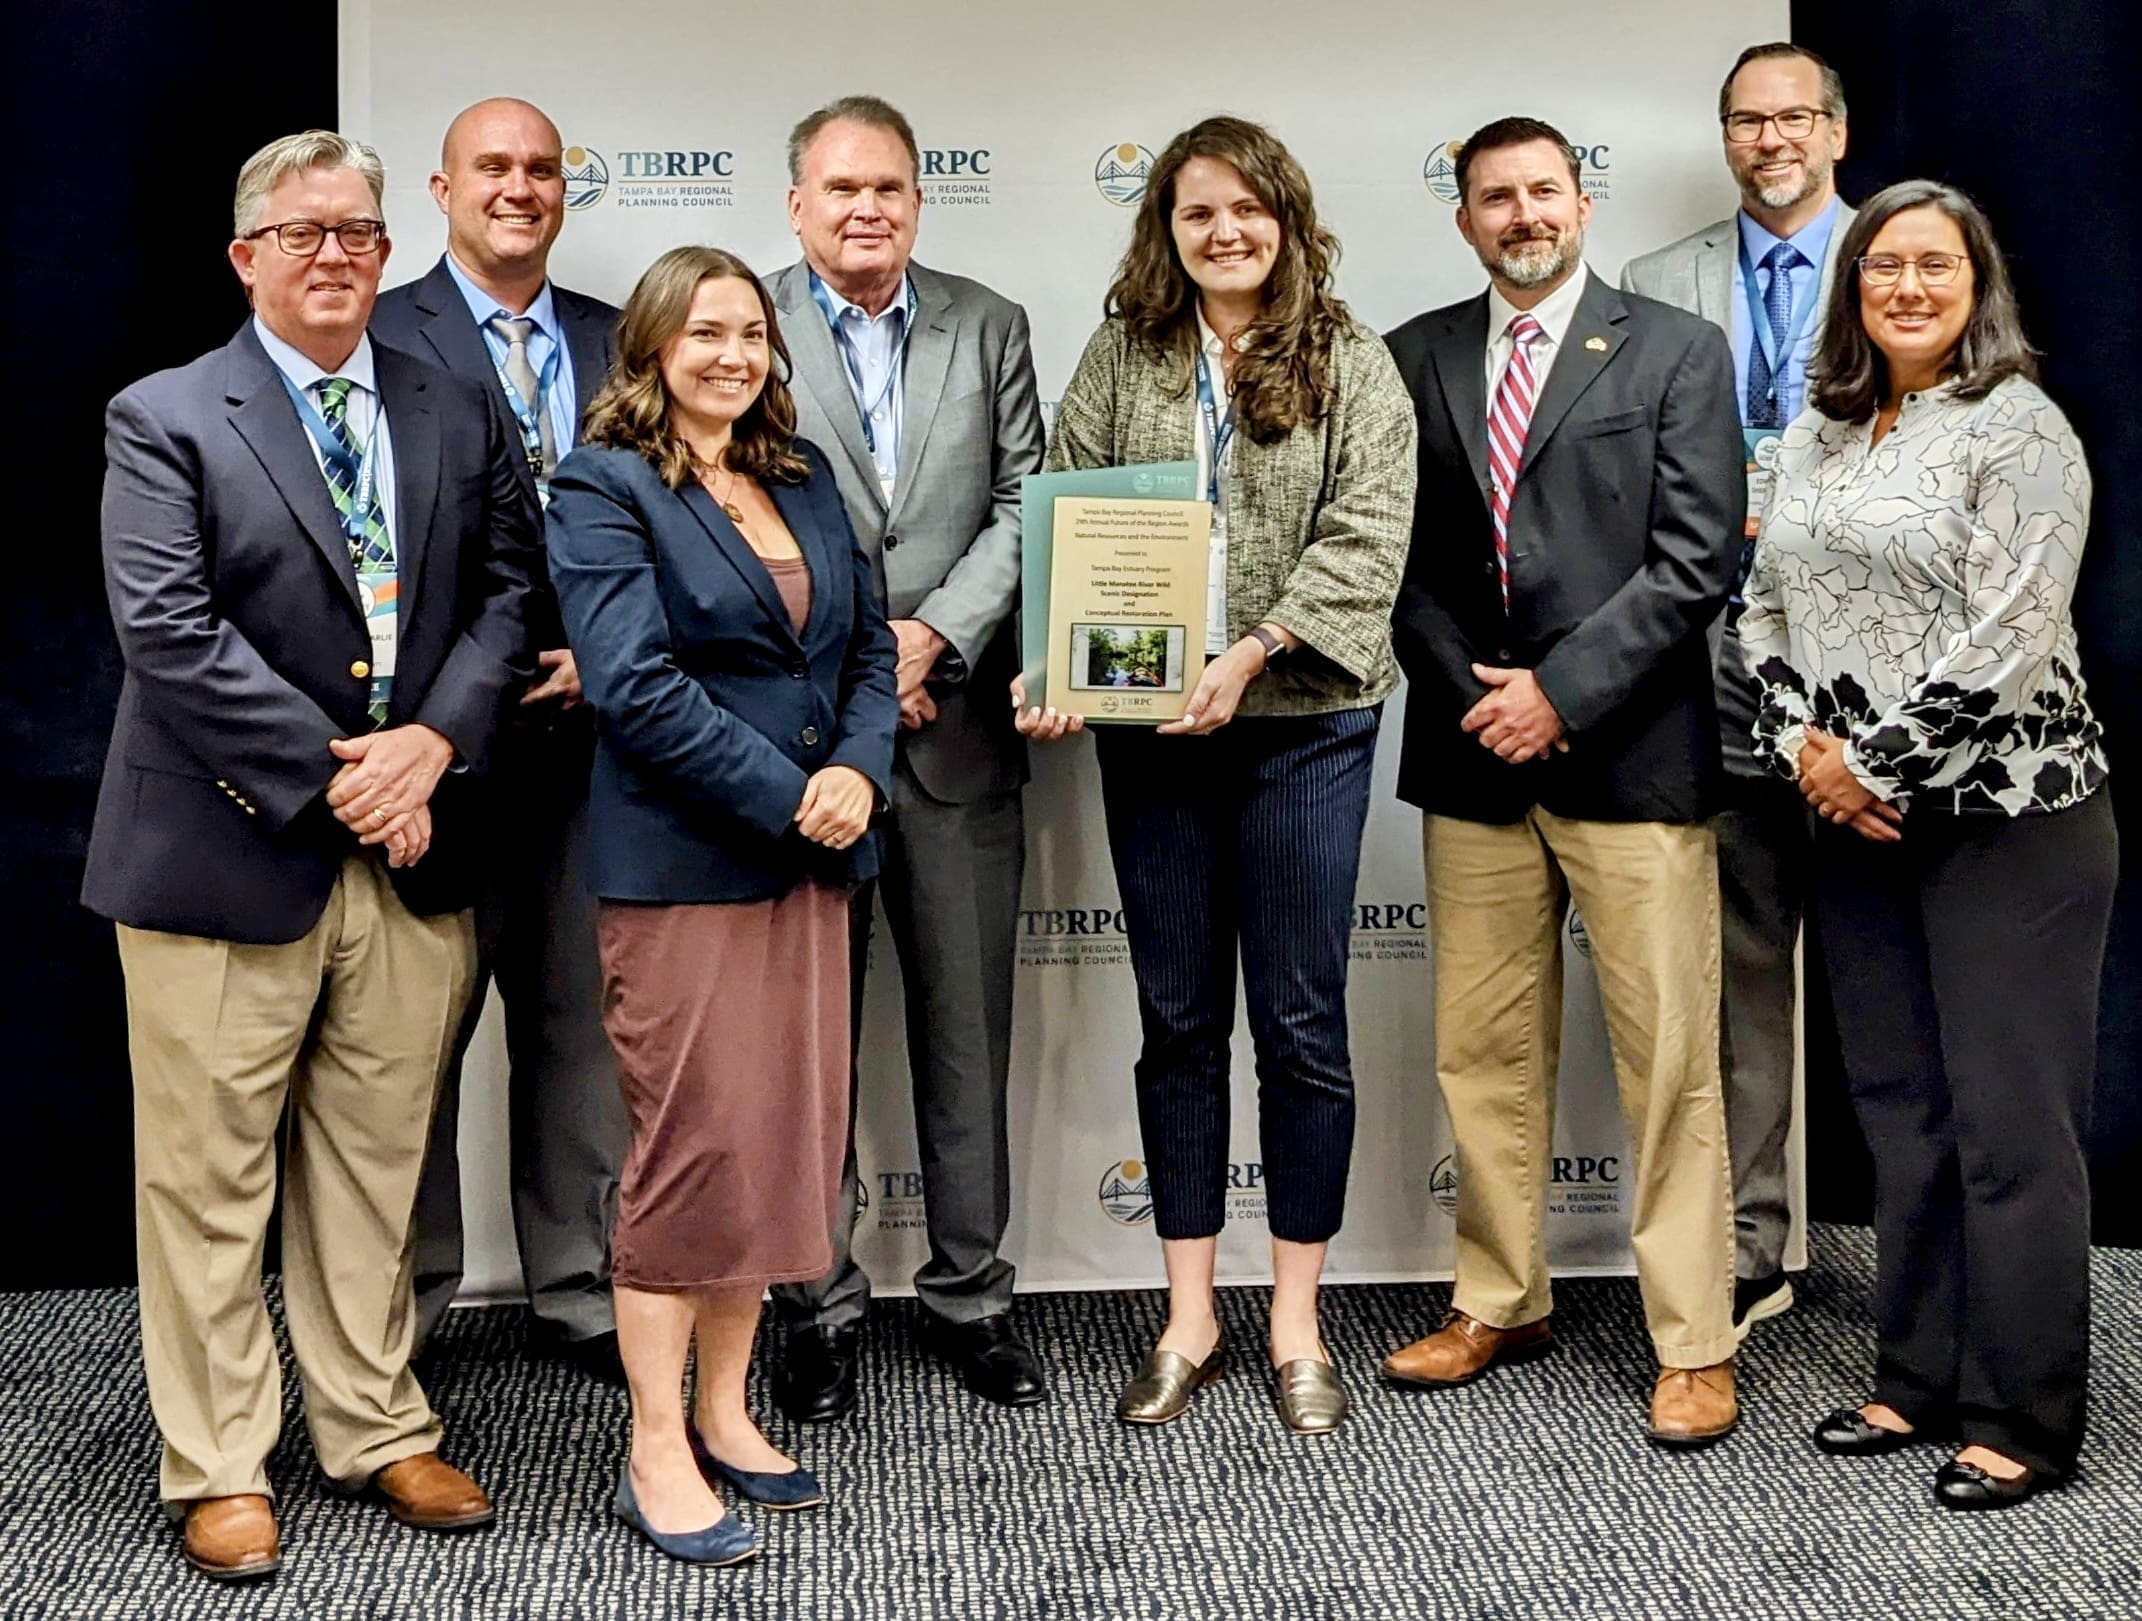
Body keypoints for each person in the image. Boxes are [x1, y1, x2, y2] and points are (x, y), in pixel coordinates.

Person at [82, 129, 536, 1581]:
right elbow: (167, 633)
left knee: (375, 1166)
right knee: (210, 1181)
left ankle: (372, 1423)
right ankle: (216, 1461)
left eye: (357, 231)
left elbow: (514, 593)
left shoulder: (454, 400)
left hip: (415, 848)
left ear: (387, 250)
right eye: (303, 233)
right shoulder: (164, 416)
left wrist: (433, 748)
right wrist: (349, 780)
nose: (334, 253)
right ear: (245, 257)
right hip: (226, 853)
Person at [1021, 115, 1417, 1435]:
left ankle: (1296, 1318)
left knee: (1299, 1023)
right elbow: (1070, 500)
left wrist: (1249, 655)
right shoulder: (1124, 352)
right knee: (1180, 1020)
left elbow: (1367, 535)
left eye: (1247, 210)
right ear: (1168, 231)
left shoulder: (1350, 359)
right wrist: (1058, 662)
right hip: (1151, 740)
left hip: (1305, 727)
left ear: (1286, 220)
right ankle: (1188, 1312)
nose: (1224, 232)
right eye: (1198, 214)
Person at [1740, 180, 2114, 1509]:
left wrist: (1869, 763)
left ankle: (2019, 1411)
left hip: (2007, 823)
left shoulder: (2018, 430)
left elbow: (2013, 636)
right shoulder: (1816, 430)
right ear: (1849, 287)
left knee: (2011, 1128)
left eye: (1932, 264)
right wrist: (1806, 759)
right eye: (1880, 264)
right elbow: (1759, 609)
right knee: (1903, 1117)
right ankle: (1914, 1377)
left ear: (1975, 282)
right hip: (1853, 823)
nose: (1905, 284)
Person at [1380, 117, 1745, 1446]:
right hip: (1472, 755)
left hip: (1632, 757)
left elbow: (1695, 558)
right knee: (1480, 1052)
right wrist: (1478, 694)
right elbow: (1392, 557)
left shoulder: (1677, 351)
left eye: (1542, 190)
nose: (1521, 214)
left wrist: (1561, 694)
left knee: (1667, 1064)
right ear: (1463, 217)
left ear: (1578, 201)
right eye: (1494, 197)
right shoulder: (1410, 356)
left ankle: (1693, 1339)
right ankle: (1497, 1296)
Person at [545, 246, 898, 1562]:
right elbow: (631, 686)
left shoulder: (802, 479)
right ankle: (650, 1446)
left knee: (774, 1146)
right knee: (692, 1151)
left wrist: (857, 770)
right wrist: (790, 792)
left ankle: (725, 1410)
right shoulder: (601, 486)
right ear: (651, 346)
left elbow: (867, 646)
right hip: (688, 866)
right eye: (704, 333)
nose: (731, 354)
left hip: (812, 860)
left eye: (751, 331)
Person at [766, 95, 1048, 1420]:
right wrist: (860, 665)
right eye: (840, 188)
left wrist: (934, 636)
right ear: (796, 206)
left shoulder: (988, 323)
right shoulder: (739, 323)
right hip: (805, 748)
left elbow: (1020, 503)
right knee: (805, 1047)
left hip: (957, 737)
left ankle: (971, 1294)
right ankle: (809, 1304)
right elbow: (719, 509)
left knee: (963, 1030)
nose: (865, 208)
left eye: (888, 187)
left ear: (919, 201)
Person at [372, 95, 628, 1382]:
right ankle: (408, 1304)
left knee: (579, 1036)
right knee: (412, 1045)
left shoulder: (617, 337)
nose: (518, 187)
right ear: (442, 187)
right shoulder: (373, 328)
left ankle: (577, 1284)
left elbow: (673, 518)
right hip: (440, 752)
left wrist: (617, 652)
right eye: (493, 167)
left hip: (594, 747)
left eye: (540, 169)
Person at [1621, 43, 1856, 1338]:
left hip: (1875, 684)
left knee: (1890, 974)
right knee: (1744, 964)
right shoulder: (1659, 288)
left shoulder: (1912, 256)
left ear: (1834, 128)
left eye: (1790, 117)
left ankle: (1926, 1256)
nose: (1767, 138)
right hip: (1710, 672)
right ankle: (1756, 1242)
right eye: (1743, 120)